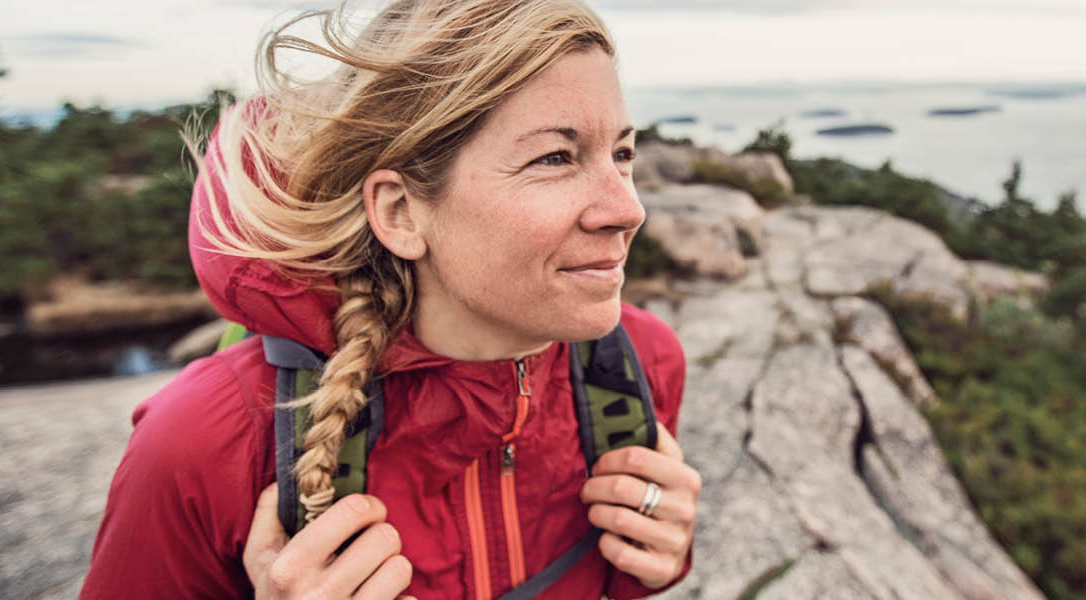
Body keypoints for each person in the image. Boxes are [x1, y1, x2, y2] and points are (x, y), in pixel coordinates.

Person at [81, 1, 699, 598]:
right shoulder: (202, 442)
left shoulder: (640, 363)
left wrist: (653, 557)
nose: (629, 208)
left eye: (622, 153)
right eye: (555, 157)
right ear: (401, 212)